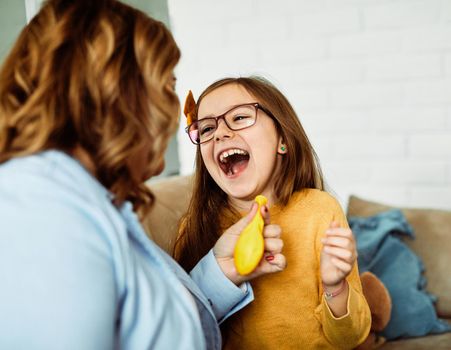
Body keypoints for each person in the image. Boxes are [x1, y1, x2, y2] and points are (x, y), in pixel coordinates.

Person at [0, 2, 286, 349]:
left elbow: (151, 326)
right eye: (166, 87)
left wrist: (221, 271)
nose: (171, 111)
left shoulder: (87, 199)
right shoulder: (43, 213)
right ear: (114, 94)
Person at [174, 76, 372, 349]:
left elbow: (352, 337)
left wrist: (335, 287)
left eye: (240, 117)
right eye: (206, 128)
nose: (219, 133)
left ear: (283, 141)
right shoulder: (193, 227)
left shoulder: (319, 210)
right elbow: (182, 330)